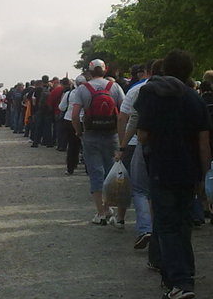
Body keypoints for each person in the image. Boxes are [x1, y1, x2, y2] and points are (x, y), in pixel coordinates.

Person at [136, 50, 211, 299]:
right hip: (189, 169)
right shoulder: (195, 99)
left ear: (164, 68)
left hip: (162, 166)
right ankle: (186, 272)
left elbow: (143, 134)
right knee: (183, 223)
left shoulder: (153, 94)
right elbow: (203, 142)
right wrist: (205, 175)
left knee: (166, 224)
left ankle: (178, 281)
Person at [71, 60, 126, 224]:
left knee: (95, 172)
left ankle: (101, 212)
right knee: (111, 171)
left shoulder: (83, 89)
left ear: (89, 72)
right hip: (111, 134)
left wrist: (79, 131)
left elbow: (75, 115)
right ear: (105, 69)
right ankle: (110, 207)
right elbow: (123, 113)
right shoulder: (114, 87)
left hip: (91, 134)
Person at [116, 61, 153, 240]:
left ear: (146, 71)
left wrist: (122, 143)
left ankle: (124, 219)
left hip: (134, 142)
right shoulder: (181, 89)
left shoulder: (136, 90)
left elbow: (124, 118)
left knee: (132, 185)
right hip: (168, 144)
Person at [59, 76, 86, 175]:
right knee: (86, 146)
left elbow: (61, 107)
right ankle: (88, 168)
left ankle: (70, 168)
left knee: (72, 146)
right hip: (83, 121)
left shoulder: (69, 93)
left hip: (69, 120)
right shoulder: (88, 93)